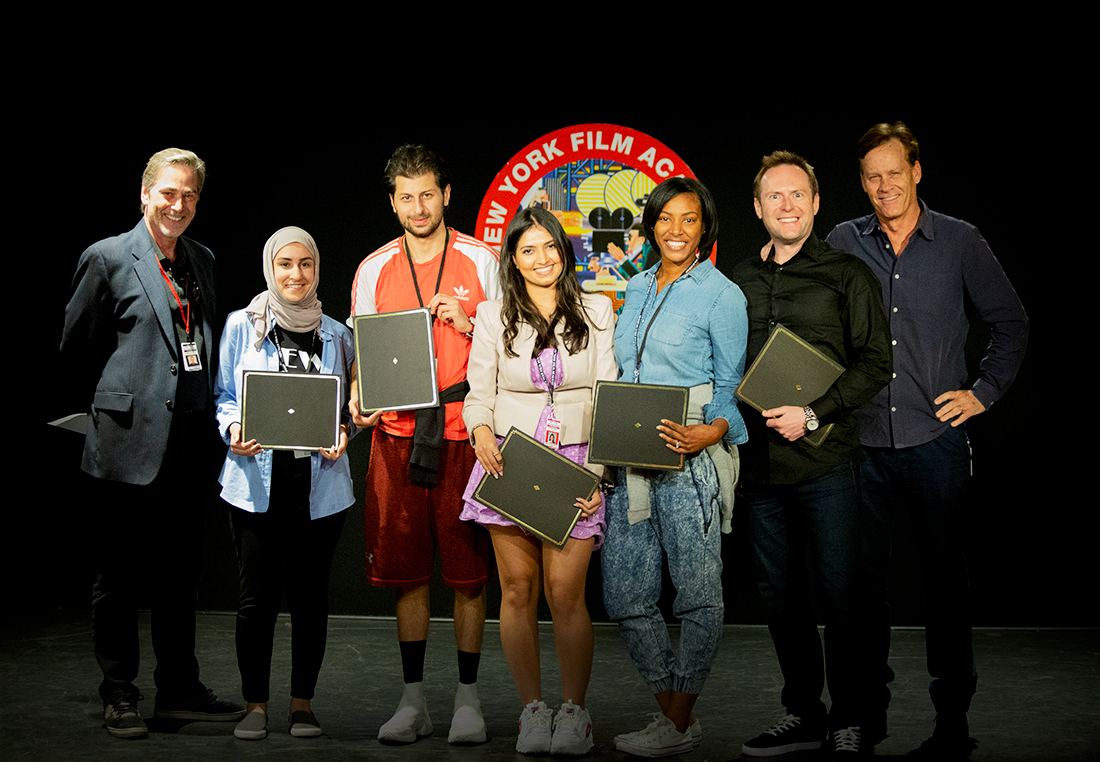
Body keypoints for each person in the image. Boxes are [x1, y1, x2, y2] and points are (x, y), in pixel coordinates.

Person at [825, 122, 1028, 757]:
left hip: (934, 441)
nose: (883, 186)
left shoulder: (961, 242)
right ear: (861, 182)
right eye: (870, 176)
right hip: (859, 446)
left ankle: (951, 726)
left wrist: (983, 392)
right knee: (860, 591)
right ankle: (864, 717)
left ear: (917, 171)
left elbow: (1011, 323)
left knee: (946, 586)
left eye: (894, 172)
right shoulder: (842, 241)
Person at [60, 148, 244, 739]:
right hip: (124, 445)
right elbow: (77, 348)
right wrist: (117, 406)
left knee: (178, 575)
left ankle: (179, 688)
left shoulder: (202, 260)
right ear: (145, 194)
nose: (179, 205)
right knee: (117, 577)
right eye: (168, 193)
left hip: (189, 445)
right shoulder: (108, 257)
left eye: (189, 195)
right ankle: (119, 692)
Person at [731, 151, 892, 760]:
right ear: (758, 207)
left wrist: (815, 412)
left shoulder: (848, 275)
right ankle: (802, 714)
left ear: (817, 202)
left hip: (828, 465)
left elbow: (877, 362)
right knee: (779, 597)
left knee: (841, 595)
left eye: (798, 194)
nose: (788, 205)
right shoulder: (739, 279)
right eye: (776, 196)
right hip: (761, 470)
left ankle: (851, 718)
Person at [348, 144, 500, 745]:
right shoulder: (373, 268)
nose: (418, 206)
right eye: (406, 196)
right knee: (408, 575)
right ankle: (414, 702)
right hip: (397, 433)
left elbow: (510, 339)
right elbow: (361, 355)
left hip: (466, 430)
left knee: (468, 576)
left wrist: (470, 323)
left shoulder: (481, 260)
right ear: (392, 202)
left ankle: (468, 700)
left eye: (427, 194)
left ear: (446, 195)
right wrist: (360, 393)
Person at [601, 176, 748, 758]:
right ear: (651, 226)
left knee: (697, 596)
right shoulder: (633, 289)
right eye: (665, 219)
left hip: (689, 458)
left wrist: (711, 429)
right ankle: (676, 717)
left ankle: (678, 718)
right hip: (629, 458)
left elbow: (732, 383)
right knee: (627, 597)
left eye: (689, 219)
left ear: (704, 227)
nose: (676, 230)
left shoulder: (721, 294)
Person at [460, 207, 617, 755]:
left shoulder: (597, 310)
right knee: (518, 590)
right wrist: (479, 431)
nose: (541, 259)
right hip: (510, 460)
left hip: (576, 464)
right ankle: (533, 710)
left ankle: (575, 712)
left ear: (564, 252)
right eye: (528, 250)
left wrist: (599, 472)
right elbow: (477, 392)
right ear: (514, 259)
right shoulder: (492, 312)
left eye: (550, 247)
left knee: (565, 593)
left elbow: (608, 392)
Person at [213, 227, 356, 741]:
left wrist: (345, 432)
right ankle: (255, 705)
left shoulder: (338, 335)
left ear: (317, 269)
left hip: (320, 488)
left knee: (310, 600)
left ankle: (302, 705)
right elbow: (226, 396)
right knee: (256, 602)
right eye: (285, 265)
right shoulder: (240, 326)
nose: (296, 275)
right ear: (270, 268)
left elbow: (348, 409)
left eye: (306, 265)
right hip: (255, 484)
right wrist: (233, 430)